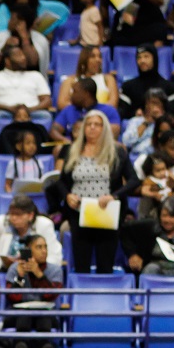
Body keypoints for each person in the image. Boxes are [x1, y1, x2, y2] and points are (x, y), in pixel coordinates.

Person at [52, 110, 138, 274]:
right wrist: (67, 195)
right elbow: (61, 181)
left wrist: (114, 196)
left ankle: (102, 297)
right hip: (78, 212)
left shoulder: (117, 152)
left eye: (97, 124)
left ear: (104, 128)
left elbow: (134, 180)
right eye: (89, 124)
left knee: (105, 265)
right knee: (81, 264)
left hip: (106, 212)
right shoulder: (72, 150)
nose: (92, 128)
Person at [0, 193, 58, 270]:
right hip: (7, 271)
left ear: (30, 216)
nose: (13, 218)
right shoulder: (4, 221)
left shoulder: (44, 225)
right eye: (11, 214)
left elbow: (54, 254)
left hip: (35, 271)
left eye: (18, 214)